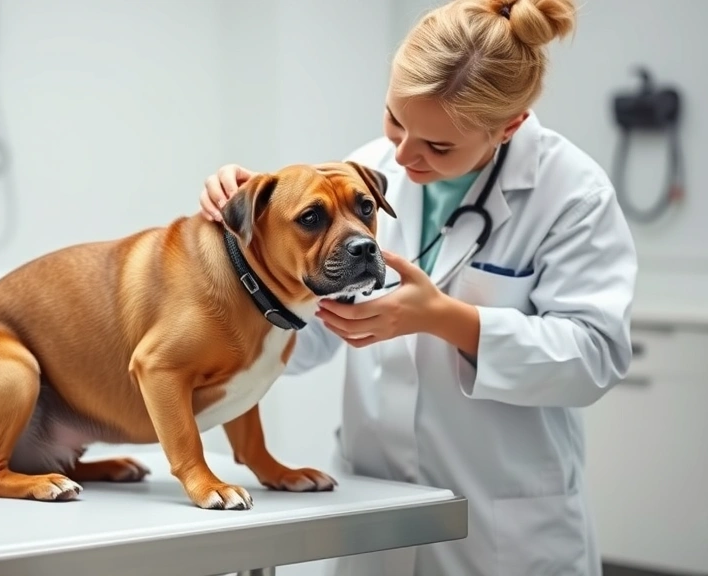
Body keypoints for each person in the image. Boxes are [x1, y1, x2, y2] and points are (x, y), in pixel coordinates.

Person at [199, 0, 637, 574]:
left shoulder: (572, 194)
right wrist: (246, 244)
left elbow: (595, 357)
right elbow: (306, 339)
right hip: (374, 502)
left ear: (510, 126)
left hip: (502, 526)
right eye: (394, 120)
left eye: (438, 146)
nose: (404, 156)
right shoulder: (364, 174)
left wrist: (443, 318)